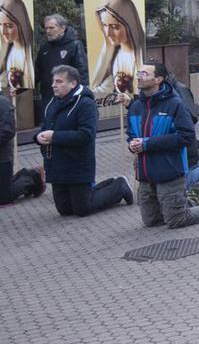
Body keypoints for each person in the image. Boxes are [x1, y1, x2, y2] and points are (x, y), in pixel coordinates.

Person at [128, 61, 199, 228]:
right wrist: (132, 144)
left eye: (144, 74)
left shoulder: (174, 104)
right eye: (139, 74)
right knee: (152, 221)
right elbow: (131, 135)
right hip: (145, 175)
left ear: (158, 79)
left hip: (169, 171)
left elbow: (186, 136)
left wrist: (148, 144)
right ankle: (192, 200)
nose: (139, 77)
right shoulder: (135, 107)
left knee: (177, 220)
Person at [37, 64, 132, 217]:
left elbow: (86, 135)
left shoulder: (85, 104)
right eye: (54, 81)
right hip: (56, 164)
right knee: (65, 210)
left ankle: (119, 186)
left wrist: (54, 136)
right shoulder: (51, 103)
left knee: (83, 209)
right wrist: (38, 137)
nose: (54, 85)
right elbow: (45, 127)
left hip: (78, 162)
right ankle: (106, 186)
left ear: (73, 83)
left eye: (59, 82)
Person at [88, 0, 143, 100]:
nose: (108, 33)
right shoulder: (114, 55)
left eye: (114, 27)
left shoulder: (142, 55)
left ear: (129, 25)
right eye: (104, 25)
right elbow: (107, 87)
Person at [34, 14, 88, 106]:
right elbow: (37, 73)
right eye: (46, 28)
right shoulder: (44, 49)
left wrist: (79, 96)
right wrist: (20, 88)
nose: (48, 31)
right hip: (47, 98)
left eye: (51, 28)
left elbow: (82, 72)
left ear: (63, 28)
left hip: (68, 98)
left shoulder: (74, 45)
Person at [1, 93, 44, 204]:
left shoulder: (3, 103)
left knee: (4, 198)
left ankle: (32, 177)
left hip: (2, 158)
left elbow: (7, 131)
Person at [1, 0, 35, 93]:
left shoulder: (31, 51)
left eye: (9, 26)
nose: (3, 32)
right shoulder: (6, 52)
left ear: (21, 24)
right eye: (0, 25)